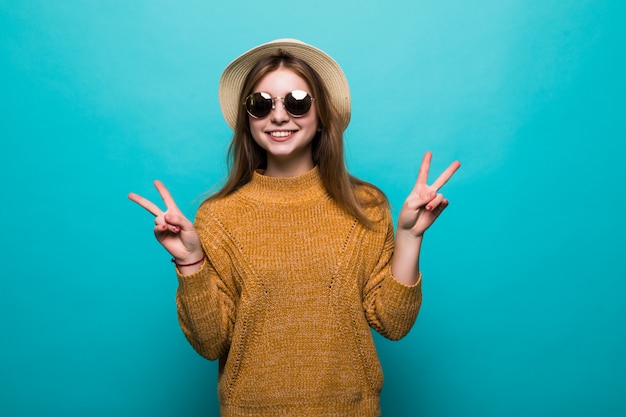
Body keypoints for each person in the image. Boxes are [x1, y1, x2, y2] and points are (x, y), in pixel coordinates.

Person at [128, 38, 460, 417]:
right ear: (248, 118)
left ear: (322, 115)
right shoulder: (219, 216)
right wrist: (190, 262)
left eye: (298, 101)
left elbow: (393, 322)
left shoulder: (365, 206)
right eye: (261, 104)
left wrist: (410, 236)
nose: (279, 116)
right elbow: (209, 343)